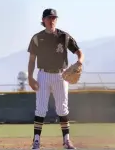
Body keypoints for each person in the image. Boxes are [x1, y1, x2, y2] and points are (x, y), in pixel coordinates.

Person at [27, 8, 84, 149]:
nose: (52, 20)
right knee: (40, 109)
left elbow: (79, 52)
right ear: (43, 20)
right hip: (43, 75)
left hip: (61, 75)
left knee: (62, 109)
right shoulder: (37, 38)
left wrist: (80, 61)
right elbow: (32, 60)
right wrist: (30, 77)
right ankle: (36, 141)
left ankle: (67, 141)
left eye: (54, 18)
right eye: (49, 18)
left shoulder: (64, 36)